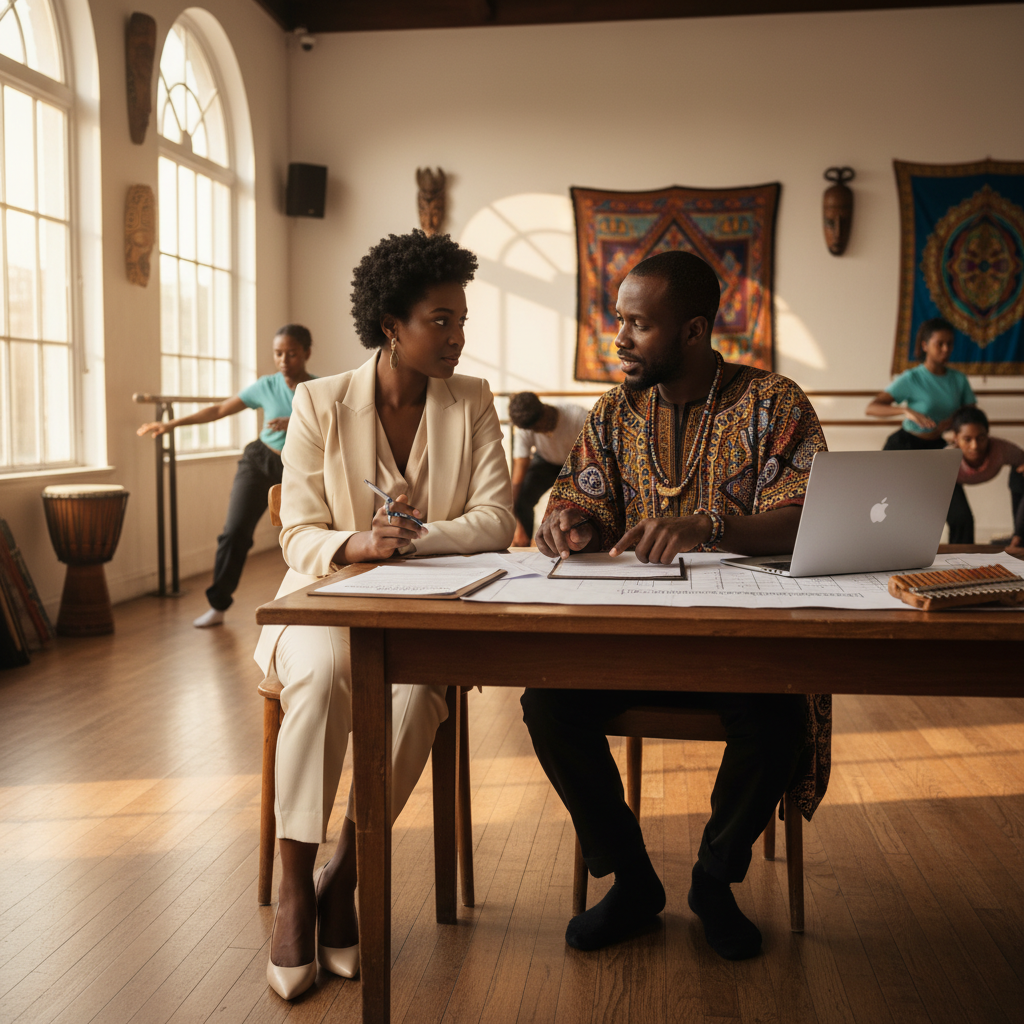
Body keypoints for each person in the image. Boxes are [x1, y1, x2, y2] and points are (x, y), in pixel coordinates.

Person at [521, 250, 831, 961]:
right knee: (547, 704)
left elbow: (807, 514)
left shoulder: (774, 403)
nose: (619, 340)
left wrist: (709, 525)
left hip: (741, 645)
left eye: (638, 324)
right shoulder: (612, 411)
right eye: (618, 321)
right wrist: (566, 522)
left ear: (693, 331)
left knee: (780, 719)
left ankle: (714, 882)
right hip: (633, 640)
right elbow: (581, 499)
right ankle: (632, 883)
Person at [253, 231, 514, 1000]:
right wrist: (358, 541)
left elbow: (497, 518)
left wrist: (416, 540)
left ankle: (345, 871)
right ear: (391, 326)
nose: (458, 337)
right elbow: (296, 534)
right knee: (331, 668)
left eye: (462, 320)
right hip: (321, 604)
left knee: (417, 692)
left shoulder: (471, 400)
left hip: (425, 616)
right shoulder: (318, 402)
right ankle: (296, 882)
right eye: (441, 320)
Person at [137, 326, 316, 626]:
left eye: (292, 353)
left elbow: (332, 425)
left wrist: (295, 421)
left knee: (309, 533)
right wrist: (172, 425)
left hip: (297, 467)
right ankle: (217, 606)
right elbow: (219, 409)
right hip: (259, 462)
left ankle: (313, 603)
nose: (284, 359)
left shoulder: (319, 388)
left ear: (307, 353)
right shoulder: (265, 385)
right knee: (234, 532)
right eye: (278, 353)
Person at [865, 317, 976, 542]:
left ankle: (963, 570)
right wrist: (906, 411)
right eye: (940, 344)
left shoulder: (958, 380)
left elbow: (969, 415)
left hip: (938, 450)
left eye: (950, 344)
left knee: (962, 518)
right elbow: (872, 407)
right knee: (888, 512)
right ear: (925, 345)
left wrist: (950, 424)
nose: (946, 349)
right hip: (903, 447)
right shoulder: (912, 378)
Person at [508, 393, 589, 545]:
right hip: (546, 461)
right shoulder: (526, 429)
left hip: (578, 463)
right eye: (535, 429)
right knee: (523, 496)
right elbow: (517, 481)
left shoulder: (577, 416)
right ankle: (522, 544)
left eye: (540, 425)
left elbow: (595, 455)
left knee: (579, 503)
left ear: (544, 409)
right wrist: (515, 523)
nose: (540, 430)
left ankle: (580, 544)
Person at [948, 406, 1024, 553]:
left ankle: (1019, 538)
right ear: (955, 438)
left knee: (1021, 473)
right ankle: (959, 556)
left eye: (981, 438)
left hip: (1020, 526)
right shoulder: (946, 458)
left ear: (988, 435)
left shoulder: (1001, 449)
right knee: (962, 519)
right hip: (952, 483)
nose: (975, 446)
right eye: (967, 439)